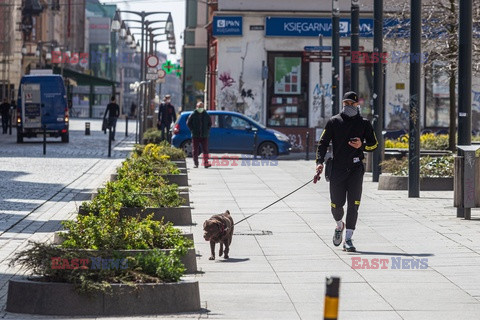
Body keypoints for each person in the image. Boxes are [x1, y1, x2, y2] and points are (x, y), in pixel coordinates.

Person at [315, 91, 378, 252]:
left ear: (358, 105)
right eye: (346, 103)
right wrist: (319, 163)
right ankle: (339, 225)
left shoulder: (364, 123)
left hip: (356, 169)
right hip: (337, 169)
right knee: (336, 205)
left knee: (354, 204)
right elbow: (322, 144)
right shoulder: (334, 121)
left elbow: (374, 145)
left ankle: (348, 239)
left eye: (352, 103)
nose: (348, 106)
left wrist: (361, 146)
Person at [187, 102, 212, 168]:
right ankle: (196, 163)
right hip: (195, 135)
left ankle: (206, 163)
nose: (200, 108)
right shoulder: (193, 114)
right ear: (196, 107)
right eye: (199, 107)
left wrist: (206, 130)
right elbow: (188, 123)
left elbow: (210, 123)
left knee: (205, 150)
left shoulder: (206, 114)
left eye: (201, 107)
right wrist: (193, 130)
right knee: (195, 150)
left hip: (204, 135)